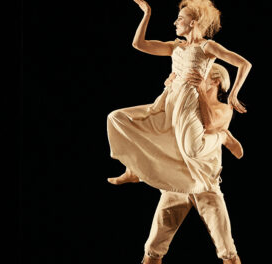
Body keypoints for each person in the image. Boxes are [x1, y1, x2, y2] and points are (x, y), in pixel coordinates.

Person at [115, 63, 256, 264]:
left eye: (201, 78)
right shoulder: (185, 109)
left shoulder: (223, 109)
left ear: (214, 82)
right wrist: (170, 88)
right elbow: (159, 119)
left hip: (206, 188)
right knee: (154, 246)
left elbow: (212, 124)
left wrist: (222, 133)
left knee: (227, 248)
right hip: (176, 186)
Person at [107, 0, 251, 191]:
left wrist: (233, 94)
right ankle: (134, 170)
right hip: (168, 100)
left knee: (192, 150)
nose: (175, 22)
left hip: (189, 102)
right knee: (117, 118)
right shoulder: (175, 47)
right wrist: (147, 14)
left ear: (193, 23)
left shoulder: (207, 46)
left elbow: (244, 64)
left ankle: (223, 137)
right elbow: (138, 44)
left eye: (180, 19)